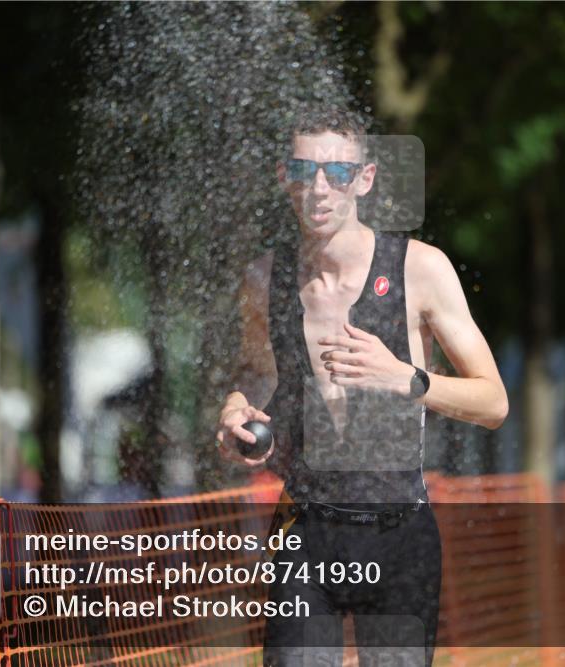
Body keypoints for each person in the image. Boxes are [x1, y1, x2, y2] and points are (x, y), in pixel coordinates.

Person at [215, 110, 508, 665]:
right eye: (305, 170)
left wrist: (406, 378)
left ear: (365, 179)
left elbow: (493, 402)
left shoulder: (419, 269)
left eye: (337, 172)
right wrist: (236, 408)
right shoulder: (263, 279)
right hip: (306, 530)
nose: (320, 188)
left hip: (399, 532)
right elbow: (255, 374)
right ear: (285, 177)